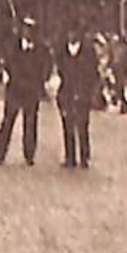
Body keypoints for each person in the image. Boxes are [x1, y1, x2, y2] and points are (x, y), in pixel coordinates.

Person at [0, 20, 50, 167]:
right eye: (25, 28)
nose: (27, 32)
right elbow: (7, 63)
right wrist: (10, 75)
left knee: (30, 123)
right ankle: (0, 155)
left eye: (30, 29)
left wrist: (40, 81)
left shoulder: (41, 49)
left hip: (31, 90)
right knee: (7, 122)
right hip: (15, 89)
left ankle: (29, 155)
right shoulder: (13, 47)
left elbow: (46, 67)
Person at [55, 31, 98, 169]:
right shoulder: (62, 51)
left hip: (82, 93)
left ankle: (84, 157)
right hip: (66, 92)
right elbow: (60, 70)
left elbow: (93, 73)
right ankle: (70, 157)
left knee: (82, 125)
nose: (71, 36)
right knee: (67, 125)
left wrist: (88, 91)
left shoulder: (88, 52)